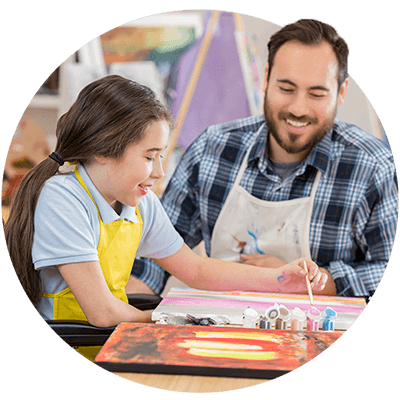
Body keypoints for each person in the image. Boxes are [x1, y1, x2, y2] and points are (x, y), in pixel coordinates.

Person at [4, 75, 325, 328]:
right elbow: (101, 312)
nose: (158, 172)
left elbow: (196, 270)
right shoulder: (63, 199)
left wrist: (281, 278)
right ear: (102, 151)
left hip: (109, 341)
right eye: (149, 157)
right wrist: (171, 322)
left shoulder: (139, 202)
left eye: (161, 157)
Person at [133, 19, 398, 299]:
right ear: (267, 78)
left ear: (341, 92)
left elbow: (387, 270)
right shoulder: (213, 149)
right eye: (286, 88)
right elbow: (154, 254)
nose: (298, 108)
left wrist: (311, 281)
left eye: (317, 94)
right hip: (220, 330)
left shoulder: (373, 167)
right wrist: (120, 321)